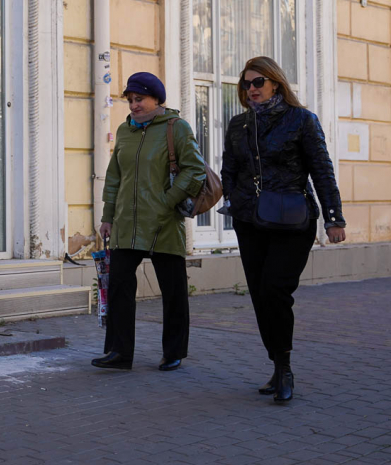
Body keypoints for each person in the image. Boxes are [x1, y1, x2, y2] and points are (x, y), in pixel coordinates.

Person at [221, 56, 346, 403]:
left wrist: (334, 218)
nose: (251, 89)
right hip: (250, 221)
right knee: (261, 295)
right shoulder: (238, 125)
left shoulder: (301, 120)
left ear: (276, 82)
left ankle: (286, 366)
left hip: (293, 220)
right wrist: (234, 199)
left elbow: (322, 169)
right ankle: (276, 366)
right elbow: (228, 168)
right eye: (246, 84)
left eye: (258, 82)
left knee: (276, 290)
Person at [92, 72, 207, 372]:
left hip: (163, 224)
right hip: (126, 224)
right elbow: (114, 177)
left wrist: (165, 202)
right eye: (130, 100)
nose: (133, 105)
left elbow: (194, 171)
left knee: (173, 291)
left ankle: (173, 352)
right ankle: (119, 352)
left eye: (139, 99)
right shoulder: (124, 131)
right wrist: (107, 217)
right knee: (118, 286)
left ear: (156, 99)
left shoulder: (176, 128)